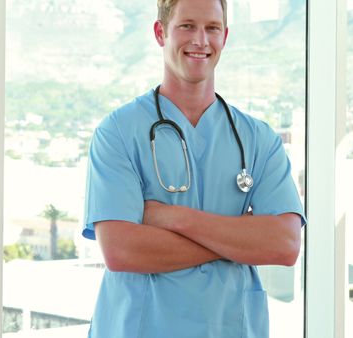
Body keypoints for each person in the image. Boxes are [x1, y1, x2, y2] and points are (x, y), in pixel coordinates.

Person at [82, 0, 306, 337]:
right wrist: (240, 239)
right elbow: (121, 250)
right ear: (161, 33)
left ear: (225, 36)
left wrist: (173, 218)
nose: (201, 40)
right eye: (187, 26)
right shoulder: (118, 132)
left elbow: (284, 245)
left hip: (230, 326)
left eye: (212, 28)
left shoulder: (259, 139)